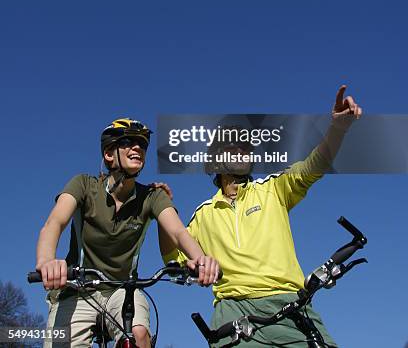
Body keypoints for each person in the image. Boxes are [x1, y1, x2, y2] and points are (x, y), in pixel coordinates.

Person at [159, 85, 362, 347]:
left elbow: (315, 165)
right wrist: (162, 211)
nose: (242, 151)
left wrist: (338, 128)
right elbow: (172, 259)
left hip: (290, 301)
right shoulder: (203, 214)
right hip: (233, 310)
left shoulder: (273, 189)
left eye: (246, 148)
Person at [36, 118, 220, 348]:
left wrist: (200, 259)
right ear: (109, 155)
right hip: (77, 290)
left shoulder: (153, 195)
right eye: (127, 142)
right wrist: (46, 262)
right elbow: (54, 222)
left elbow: (179, 232)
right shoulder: (83, 184)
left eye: (142, 144)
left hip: (123, 291)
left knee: (139, 333)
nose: (137, 148)